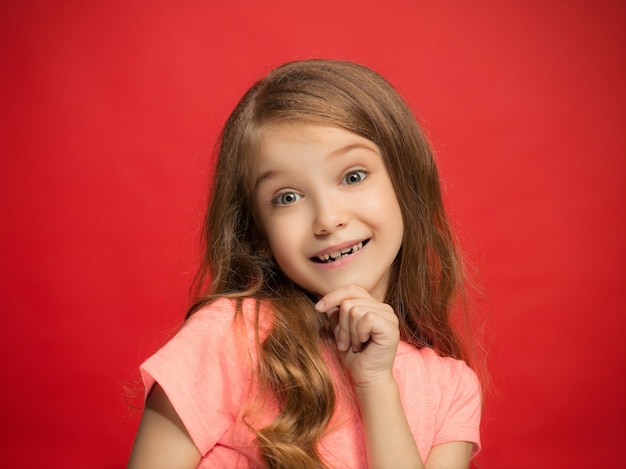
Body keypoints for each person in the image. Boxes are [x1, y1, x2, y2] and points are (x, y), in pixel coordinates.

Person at [128, 59, 482, 469]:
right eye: (287, 197)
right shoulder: (228, 340)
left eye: (352, 176)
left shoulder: (451, 389)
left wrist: (375, 385)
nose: (328, 219)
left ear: (406, 182)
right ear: (259, 231)